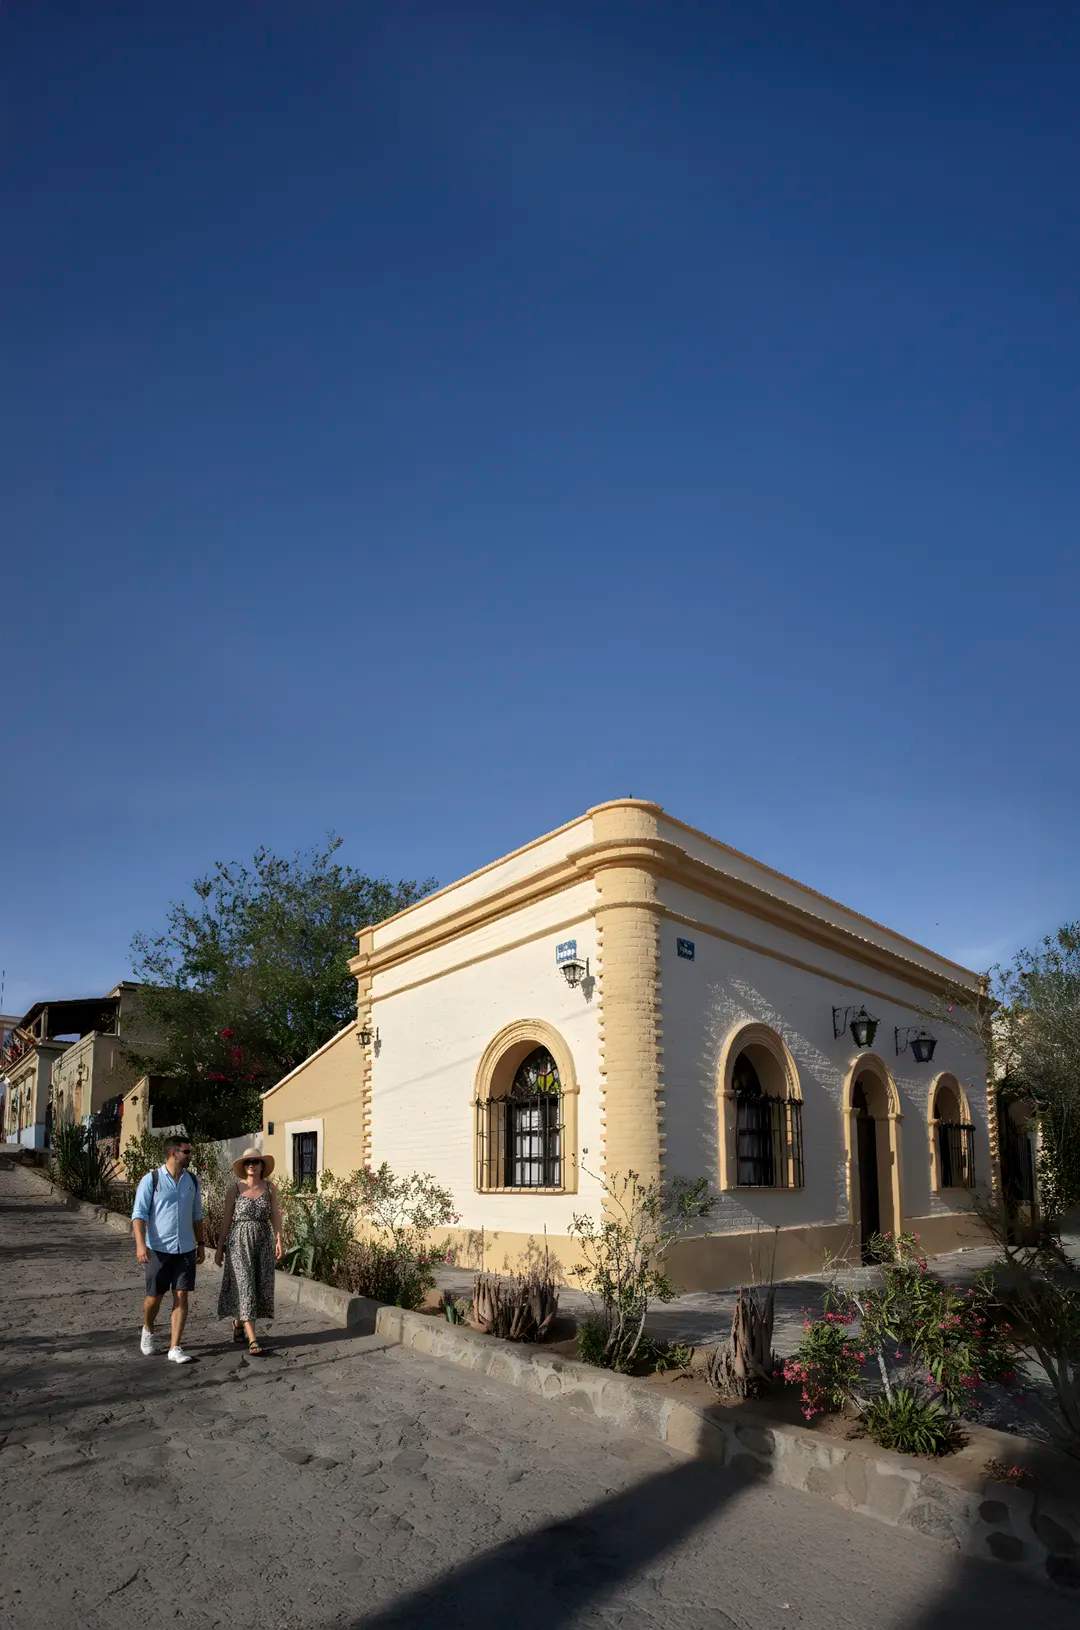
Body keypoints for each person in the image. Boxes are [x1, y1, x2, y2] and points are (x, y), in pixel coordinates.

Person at [131, 1135, 206, 1364]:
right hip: (158, 1249)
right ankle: (148, 1328)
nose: (190, 1156)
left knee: (182, 1295)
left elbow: (197, 1216)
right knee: (154, 1297)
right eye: (187, 1151)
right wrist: (140, 1245)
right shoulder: (151, 1180)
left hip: (184, 1248)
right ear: (173, 1152)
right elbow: (138, 1215)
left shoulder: (192, 1181)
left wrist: (200, 1243)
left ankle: (175, 1347)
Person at [215, 1149, 283, 1355]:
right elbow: (226, 1220)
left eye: (255, 1162)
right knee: (245, 1286)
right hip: (238, 1243)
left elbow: (275, 1216)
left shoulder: (270, 1188)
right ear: (243, 1167)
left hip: (262, 1241)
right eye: (247, 1163)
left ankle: (238, 1323)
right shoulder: (234, 1189)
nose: (251, 1165)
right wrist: (219, 1248)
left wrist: (279, 1239)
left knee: (257, 1286)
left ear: (262, 1166)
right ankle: (253, 1339)